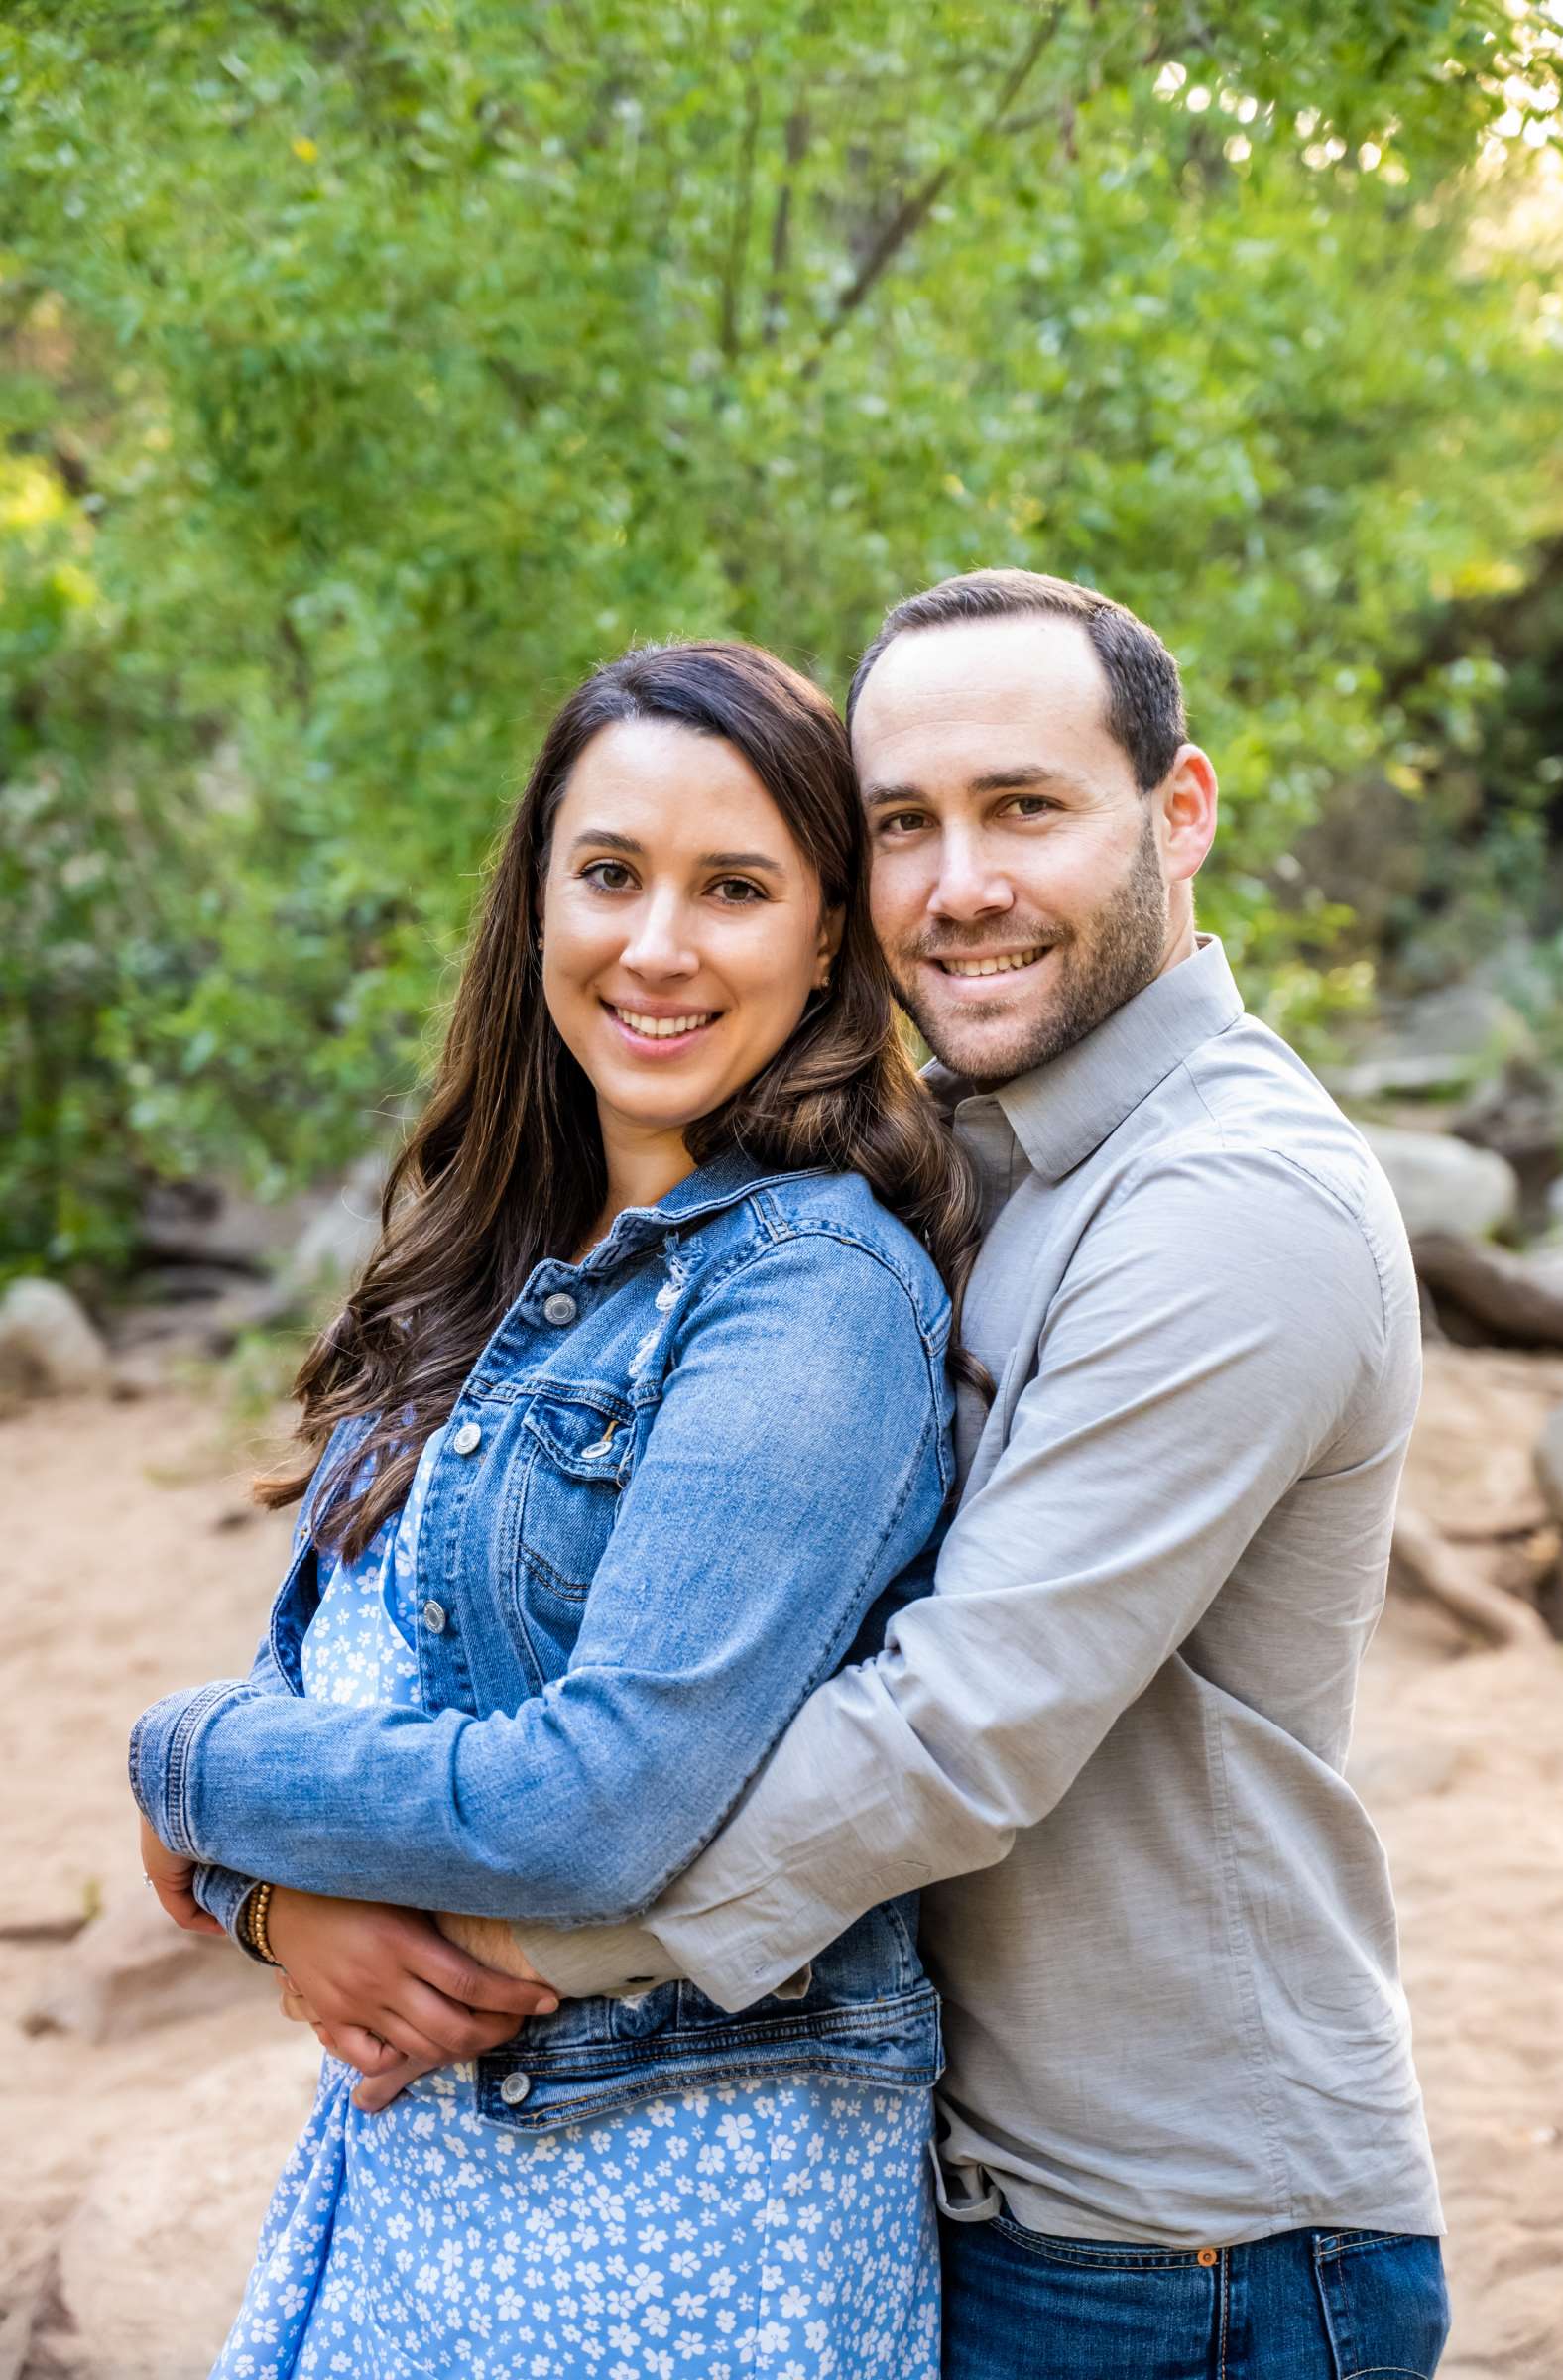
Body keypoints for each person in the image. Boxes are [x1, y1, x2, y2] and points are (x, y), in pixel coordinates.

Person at [486, 571, 1453, 2378]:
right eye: (904, 826)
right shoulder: (970, 1170)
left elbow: (951, 1731)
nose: (960, 887)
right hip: (978, 2193)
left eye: (1026, 807)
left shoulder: (1230, 1205)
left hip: (1186, 2247)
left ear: (1181, 813)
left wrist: (498, 1950)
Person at [130, 639, 987, 2377]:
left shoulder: (811, 1286)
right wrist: (272, 1907)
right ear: (536, 901)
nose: (654, 945)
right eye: (609, 874)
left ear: (830, 937)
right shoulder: (502, 1265)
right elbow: (347, 1719)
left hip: (680, 2238)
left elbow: (598, 1804)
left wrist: (181, 1767)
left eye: (734, 889)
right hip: (418, 2196)